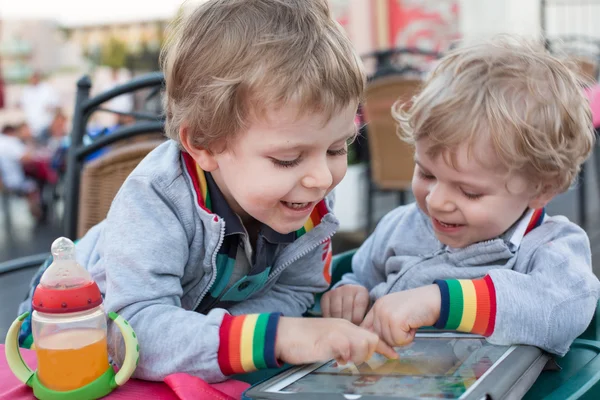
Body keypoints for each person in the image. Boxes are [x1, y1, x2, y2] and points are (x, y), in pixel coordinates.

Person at [18, 0, 395, 383]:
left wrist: (235, 337)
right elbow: (131, 331)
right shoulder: (156, 199)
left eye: (336, 149)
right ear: (204, 144)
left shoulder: (306, 198)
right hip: (66, 333)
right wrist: (274, 336)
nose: (321, 178)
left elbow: (297, 290)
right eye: (287, 158)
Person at [321, 36, 600, 357]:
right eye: (426, 174)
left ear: (542, 188)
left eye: (469, 191)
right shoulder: (400, 226)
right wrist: (350, 293)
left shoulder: (550, 246)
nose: (437, 201)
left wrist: (441, 302)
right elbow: (361, 275)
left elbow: (565, 310)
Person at [0, 124, 42, 218]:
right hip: (13, 182)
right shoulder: (10, 142)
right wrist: (29, 141)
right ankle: (38, 217)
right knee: (35, 185)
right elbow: (26, 157)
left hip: (5, 181)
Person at [19, 71, 60, 138]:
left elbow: (56, 103)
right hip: (31, 122)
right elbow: (22, 103)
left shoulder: (47, 89)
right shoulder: (26, 90)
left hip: (46, 122)